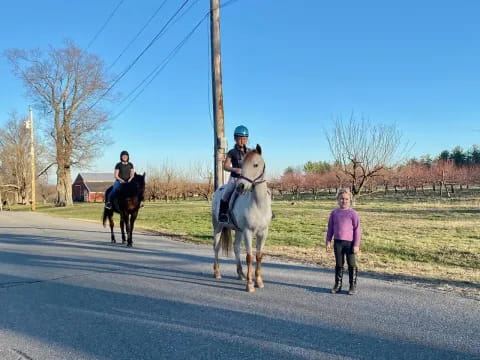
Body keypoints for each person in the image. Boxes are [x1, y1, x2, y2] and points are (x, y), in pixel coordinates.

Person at [325, 187, 361, 295]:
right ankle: (338, 285)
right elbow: (330, 228)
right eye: (341, 199)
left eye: (346, 199)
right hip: (338, 243)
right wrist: (328, 241)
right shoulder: (334, 213)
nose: (343, 201)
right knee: (339, 264)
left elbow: (357, 230)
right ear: (338, 199)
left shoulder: (353, 214)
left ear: (350, 200)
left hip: (350, 244)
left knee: (351, 264)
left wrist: (356, 245)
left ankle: (352, 286)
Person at [218, 125, 250, 223]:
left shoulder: (250, 152)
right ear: (235, 138)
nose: (242, 141)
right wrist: (235, 169)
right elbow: (226, 166)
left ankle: (266, 212)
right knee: (227, 193)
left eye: (244, 138)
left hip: (247, 179)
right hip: (235, 179)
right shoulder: (231, 152)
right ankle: (222, 214)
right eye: (240, 138)